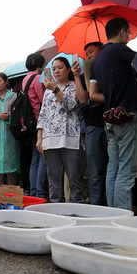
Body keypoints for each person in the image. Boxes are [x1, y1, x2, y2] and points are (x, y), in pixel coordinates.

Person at [90, 18, 137, 210]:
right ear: (121, 32)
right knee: (127, 170)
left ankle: (112, 213)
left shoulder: (99, 60)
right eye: (128, 32)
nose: (129, 36)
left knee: (113, 168)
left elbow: (93, 94)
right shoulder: (119, 50)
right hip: (127, 116)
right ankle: (123, 216)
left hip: (110, 118)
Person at [36, 57, 84, 203]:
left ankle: (76, 209)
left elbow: (70, 105)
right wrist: (39, 138)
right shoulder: (48, 91)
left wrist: (55, 89)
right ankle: (55, 209)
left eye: (60, 67)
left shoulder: (73, 86)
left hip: (70, 137)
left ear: (68, 69)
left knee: (74, 177)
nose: (56, 71)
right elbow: (43, 114)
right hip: (50, 138)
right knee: (53, 179)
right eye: (54, 68)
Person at [80, 42, 108, 205]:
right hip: (93, 123)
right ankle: (96, 205)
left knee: (110, 167)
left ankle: (109, 204)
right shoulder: (86, 73)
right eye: (87, 53)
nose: (88, 56)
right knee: (95, 169)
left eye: (91, 52)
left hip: (112, 121)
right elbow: (84, 99)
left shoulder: (111, 68)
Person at [22, 53, 48, 199]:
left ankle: (33, 191)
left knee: (34, 158)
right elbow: (43, 99)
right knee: (42, 157)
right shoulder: (37, 78)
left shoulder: (26, 78)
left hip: (29, 122)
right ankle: (39, 192)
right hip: (39, 120)